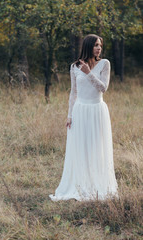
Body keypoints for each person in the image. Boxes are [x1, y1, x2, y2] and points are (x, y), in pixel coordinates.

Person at [49, 34, 119, 201]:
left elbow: (103, 88)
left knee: (96, 147)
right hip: (80, 110)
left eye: (100, 45)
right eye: (96, 45)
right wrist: (69, 115)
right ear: (88, 46)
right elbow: (73, 92)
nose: (99, 48)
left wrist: (88, 73)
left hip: (97, 110)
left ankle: (97, 185)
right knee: (80, 148)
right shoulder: (74, 66)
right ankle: (80, 184)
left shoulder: (104, 64)